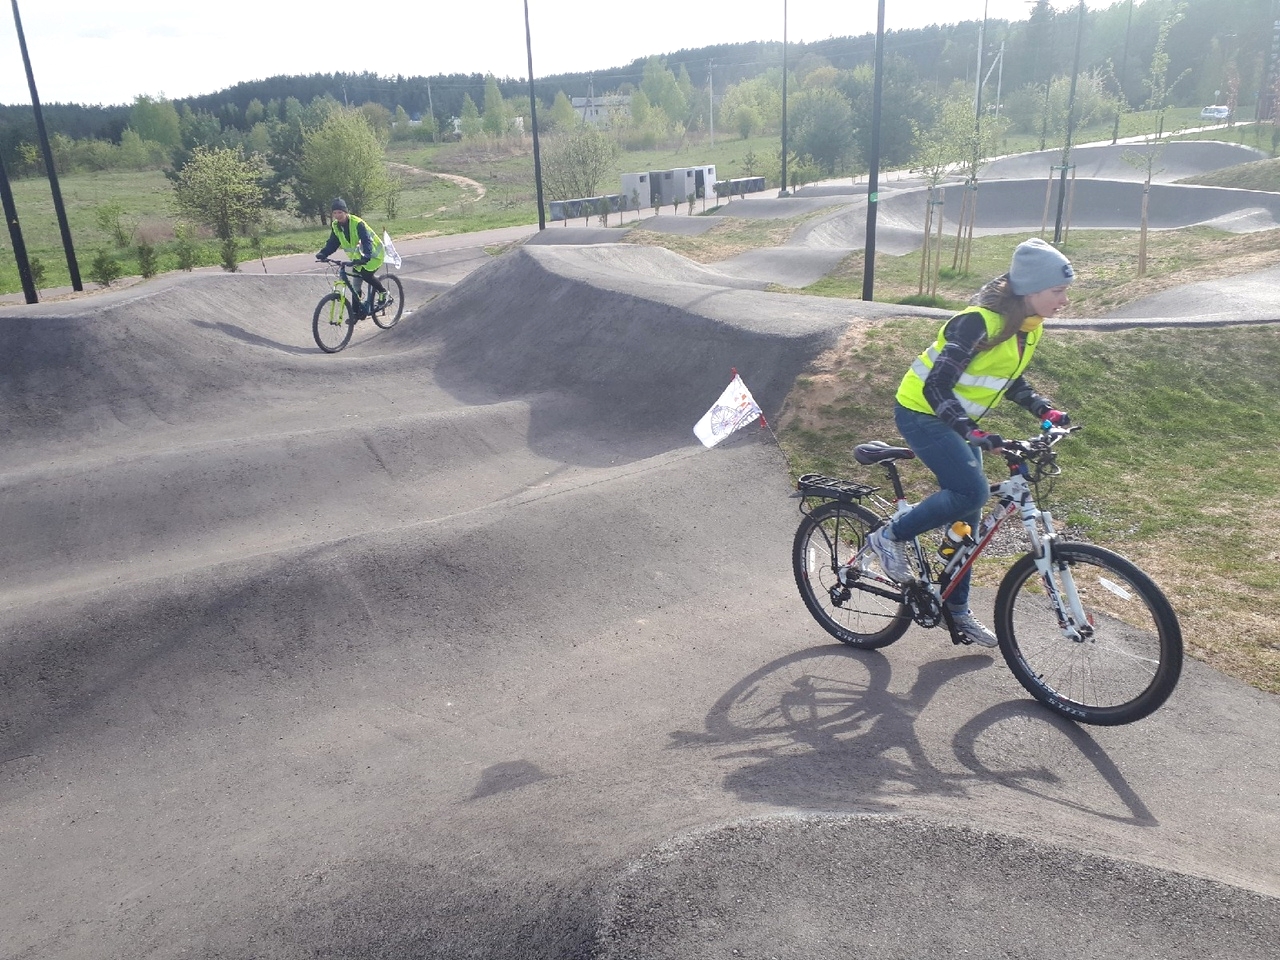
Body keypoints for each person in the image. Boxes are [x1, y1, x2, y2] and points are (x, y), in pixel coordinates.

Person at [866, 237, 1075, 647]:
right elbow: (936, 385)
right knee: (971, 491)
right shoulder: (977, 323)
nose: (1064, 299)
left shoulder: (1028, 327)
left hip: (957, 421)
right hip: (921, 412)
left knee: (970, 517)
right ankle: (889, 538)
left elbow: (1007, 376)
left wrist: (1042, 408)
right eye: (1058, 290)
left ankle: (956, 611)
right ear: (1031, 290)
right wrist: (970, 432)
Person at [315, 198, 390, 317]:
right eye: (335, 213)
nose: (337, 215)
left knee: (366, 275)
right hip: (358, 258)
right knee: (355, 286)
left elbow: (366, 241)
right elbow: (333, 242)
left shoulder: (357, 223)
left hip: (373, 255)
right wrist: (323, 253)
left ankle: (383, 292)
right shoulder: (336, 226)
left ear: (346, 212)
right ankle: (356, 313)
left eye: (340, 212)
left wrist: (367, 256)